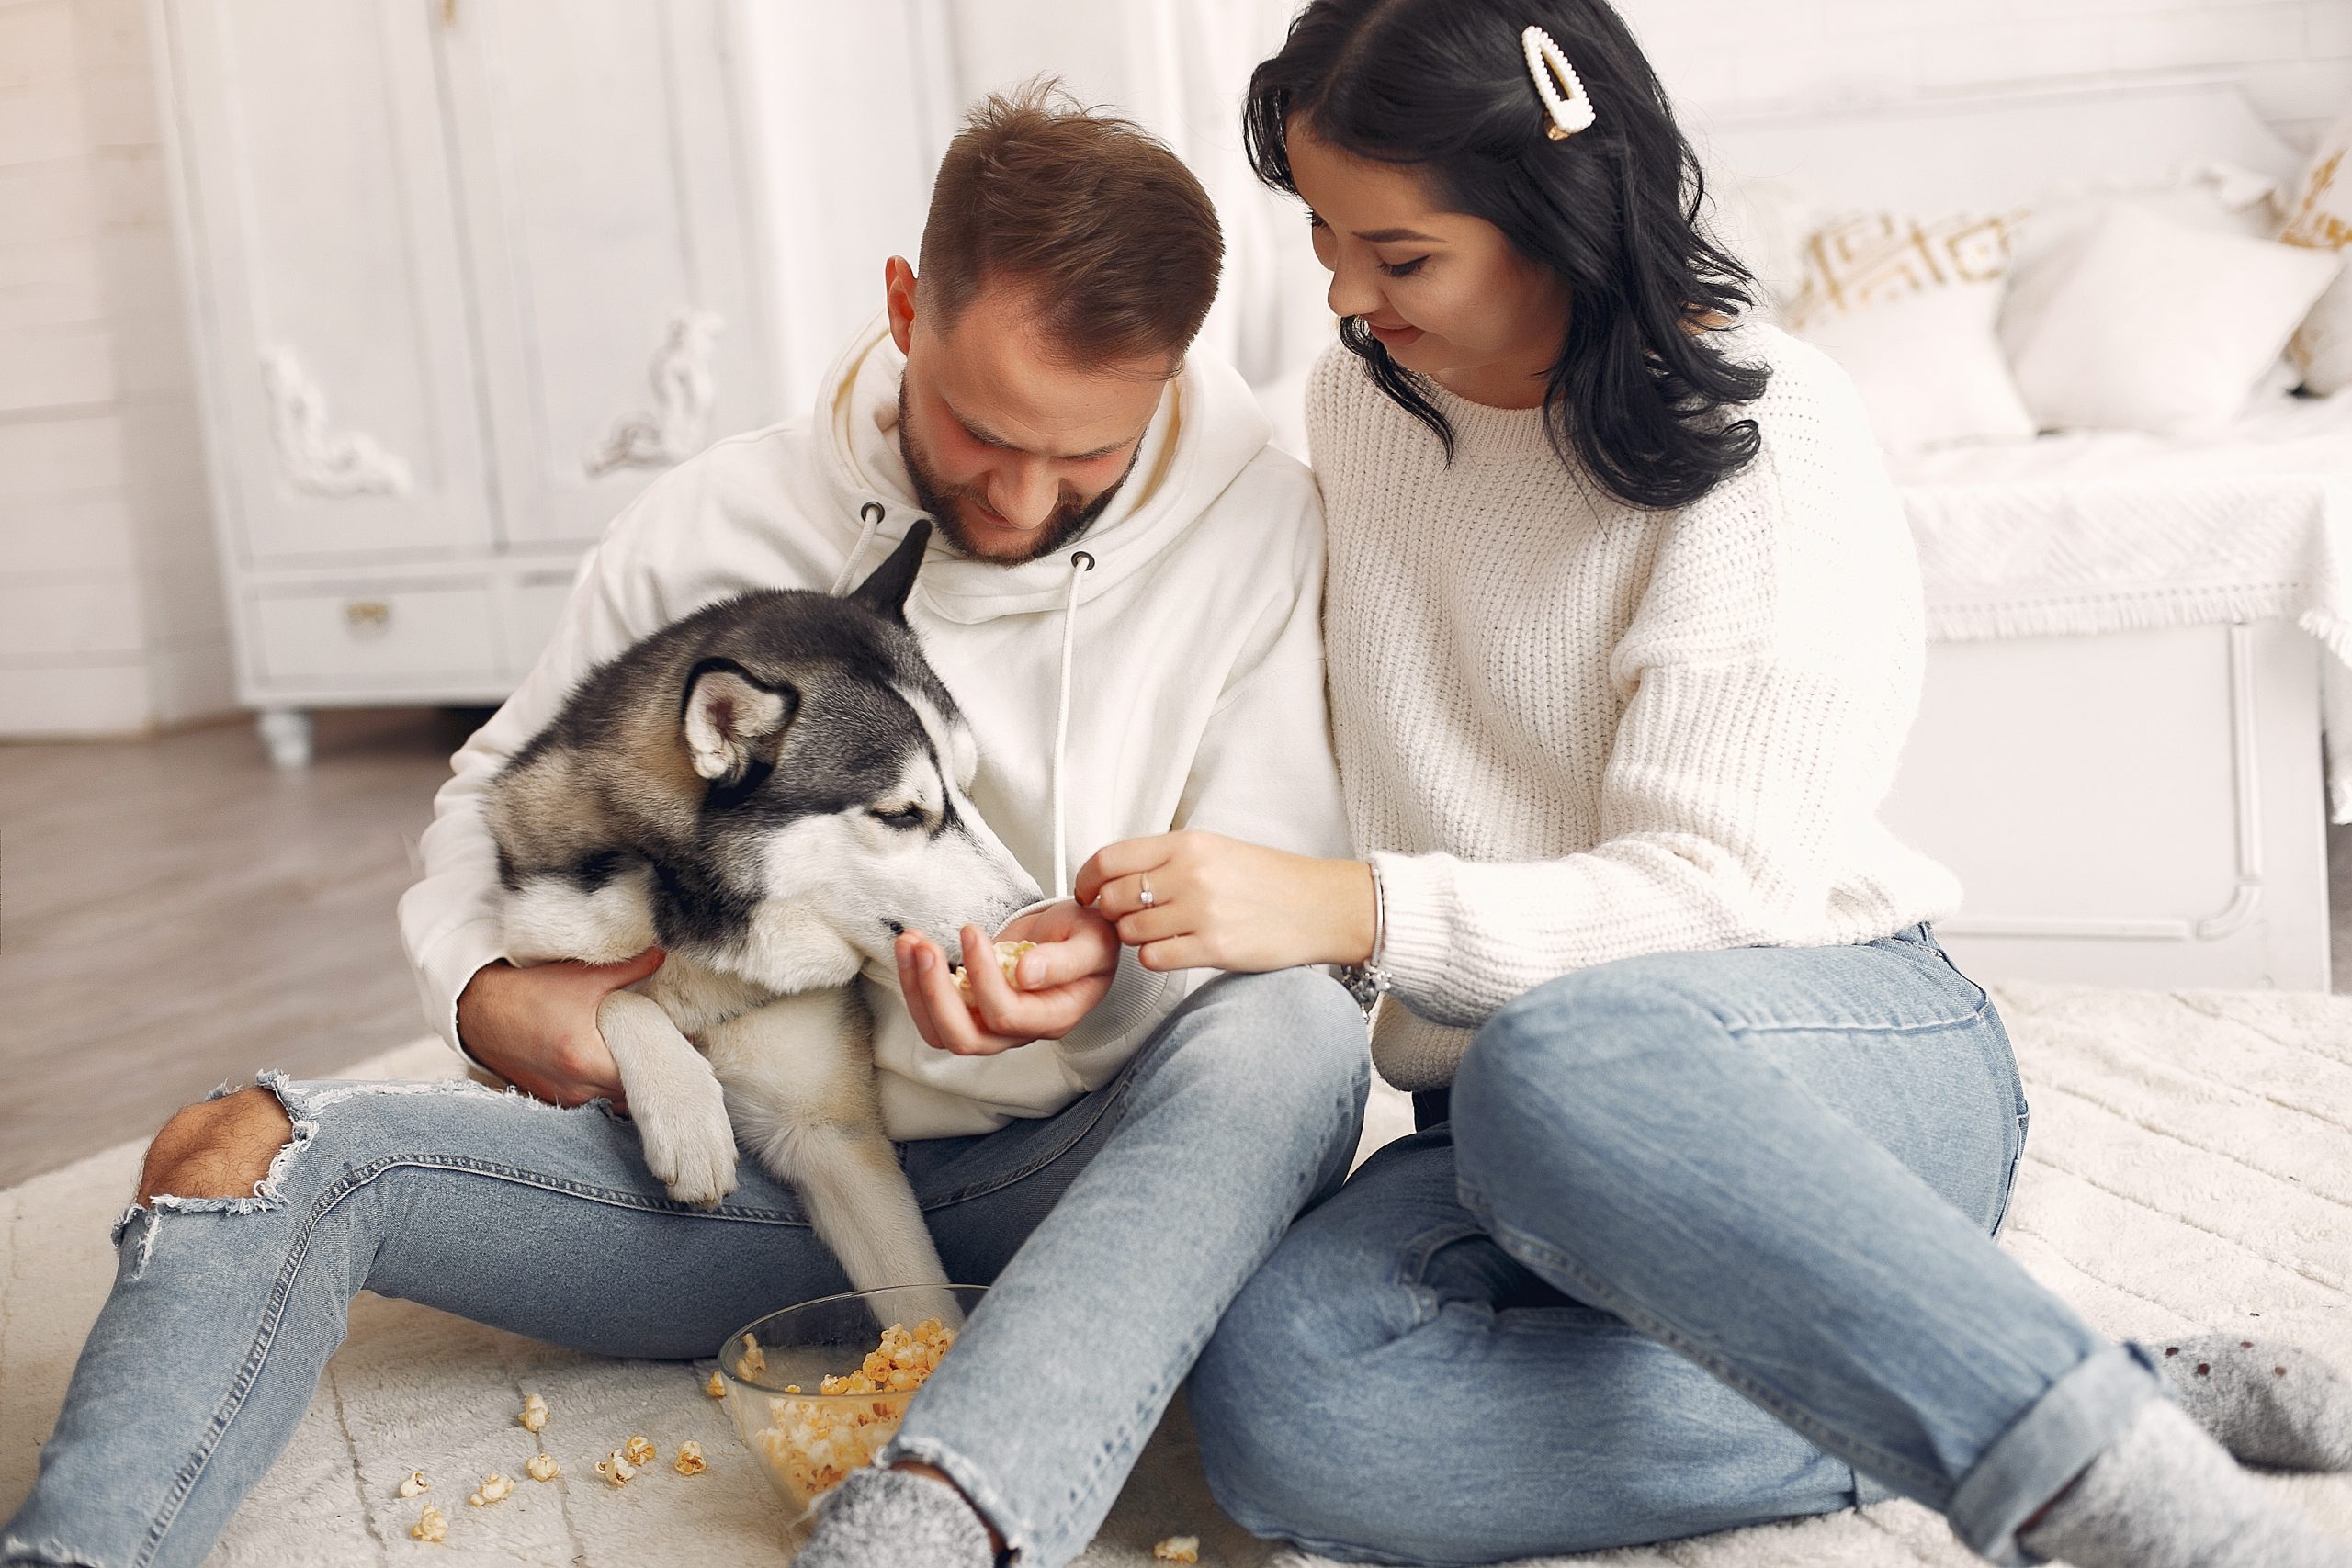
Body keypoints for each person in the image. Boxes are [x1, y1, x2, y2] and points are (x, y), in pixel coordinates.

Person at [1, 88, 1371, 1568]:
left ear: (1167, 378)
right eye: (980, 431)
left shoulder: (1259, 526)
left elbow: (1265, 897)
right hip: (741, 1179)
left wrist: (1103, 970)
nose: (1020, 498)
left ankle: (931, 1520)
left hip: (1094, 1175)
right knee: (235, 1149)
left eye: (1086, 453)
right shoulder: (712, 518)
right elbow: (494, 791)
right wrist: (483, 991)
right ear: (905, 309)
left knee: (1295, 1031)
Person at [1058, 5, 2352, 1568]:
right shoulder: (1360, 405)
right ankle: (2074, 1382)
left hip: (1821, 1052)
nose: (1343, 294)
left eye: (1401, 256)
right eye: (1323, 236)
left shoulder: (1768, 428)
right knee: (1295, 1411)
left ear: (1561, 209)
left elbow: (1714, 897)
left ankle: (2129, 1501)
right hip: (1502, 1112)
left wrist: (1354, 909)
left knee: (1560, 1056)